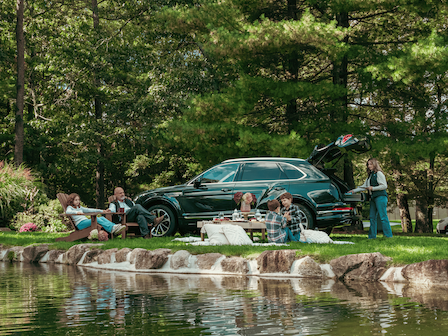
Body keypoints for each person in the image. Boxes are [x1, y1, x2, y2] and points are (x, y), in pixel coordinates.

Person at [349, 158, 393, 239]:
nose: (369, 166)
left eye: (370, 164)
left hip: (380, 197)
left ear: (375, 164)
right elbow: (364, 186)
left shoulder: (379, 174)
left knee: (383, 217)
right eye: (368, 164)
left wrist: (373, 188)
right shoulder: (370, 175)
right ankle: (372, 237)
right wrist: (353, 191)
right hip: (373, 198)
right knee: (372, 217)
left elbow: (384, 186)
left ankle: (388, 236)